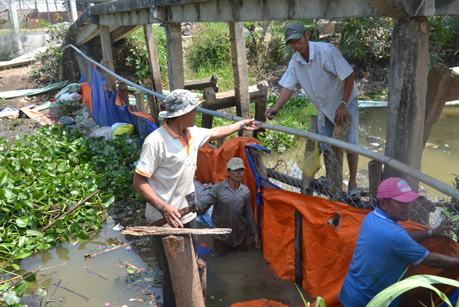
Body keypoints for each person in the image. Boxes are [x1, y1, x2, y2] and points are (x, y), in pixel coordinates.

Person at [133, 89, 260, 307]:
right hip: (164, 220)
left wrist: (241, 125)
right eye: (194, 109)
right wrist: (164, 207)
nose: (196, 112)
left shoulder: (190, 133)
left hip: (187, 214)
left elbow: (216, 132)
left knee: (190, 265)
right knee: (171, 274)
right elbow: (139, 182)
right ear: (182, 113)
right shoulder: (156, 142)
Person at [265, 22, 361, 197]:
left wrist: (343, 104)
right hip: (324, 107)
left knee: (351, 144)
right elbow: (287, 87)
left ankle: (353, 183)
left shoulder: (326, 52)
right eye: (292, 43)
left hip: (344, 102)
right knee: (325, 144)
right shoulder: (296, 61)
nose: (296, 45)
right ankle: (332, 179)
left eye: (298, 40)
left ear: (307, 35)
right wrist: (276, 107)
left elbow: (350, 75)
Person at [339, 177, 459, 307]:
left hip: (352, 292)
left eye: (409, 201)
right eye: (402, 203)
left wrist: (431, 233)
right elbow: (429, 259)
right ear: (384, 203)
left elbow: (402, 239)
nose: (408, 207)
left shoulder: (373, 217)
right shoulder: (393, 233)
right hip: (369, 301)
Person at [197, 157, 262, 256]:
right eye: (235, 170)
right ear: (228, 172)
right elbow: (205, 204)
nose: (239, 173)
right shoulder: (217, 189)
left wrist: (255, 234)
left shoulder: (245, 191)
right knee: (217, 257)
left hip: (240, 236)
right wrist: (196, 208)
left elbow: (248, 213)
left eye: (241, 170)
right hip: (221, 236)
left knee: (243, 255)